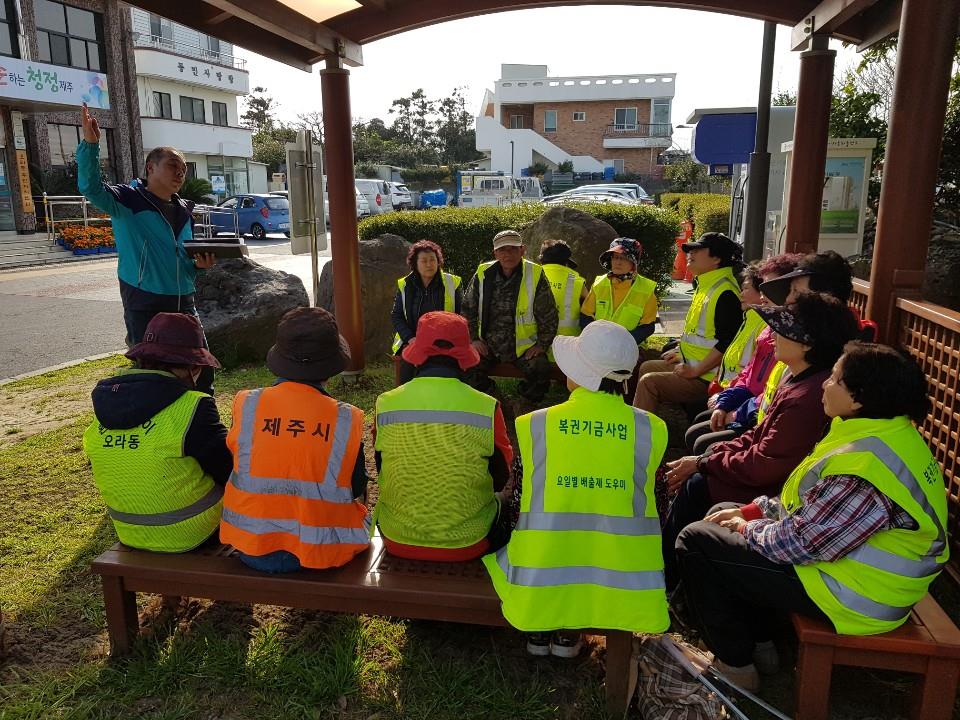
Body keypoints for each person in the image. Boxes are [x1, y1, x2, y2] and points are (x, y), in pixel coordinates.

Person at [676, 343, 946, 691]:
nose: (824, 384)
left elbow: (803, 543)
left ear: (858, 399)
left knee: (696, 541)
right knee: (718, 515)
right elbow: (807, 503)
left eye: (835, 379)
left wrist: (747, 526)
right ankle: (761, 644)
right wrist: (751, 511)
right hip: (847, 571)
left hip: (858, 595)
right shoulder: (882, 432)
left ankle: (736, 664)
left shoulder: (867, 464)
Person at [484, 320, 670, 658]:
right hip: (623, 583)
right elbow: (659, 506)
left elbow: (517, 503)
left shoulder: (535, 425)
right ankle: (571, 633)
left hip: (541, 571)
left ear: (581, 375)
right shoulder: (651, 429)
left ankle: (541, 628)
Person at [660, 293, 859, 591]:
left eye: (782, 331)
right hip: (775, 485)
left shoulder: (808, 397)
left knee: (697, 486)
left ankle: (668, 577)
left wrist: (703, 463)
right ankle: (669, 572)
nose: (772, 336)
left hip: (779, 494)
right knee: (702, 466)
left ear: (807, 343)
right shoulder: (800, 379)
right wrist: (711, 456)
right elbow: (760, 435)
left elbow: (765, 466)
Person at [77, 104, 217, 392]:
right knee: (150, 372)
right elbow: (91, 188)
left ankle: (202, 420)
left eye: (184, 169)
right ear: (150, 168)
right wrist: (90, 146)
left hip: (184, 299)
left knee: (200, 368)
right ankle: (154, 425)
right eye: (172, 166)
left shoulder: (183, 210)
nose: (180, 173)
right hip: (144, 298)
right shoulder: (126, 201)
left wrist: (197, 267)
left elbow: (181, 258)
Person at [219, 307, 370, 572]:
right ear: (331, 366)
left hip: (250, 545)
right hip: (322, 550)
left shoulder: (246, 404)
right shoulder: (347, 419)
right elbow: (357, 488)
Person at [83, 313, 230, 553]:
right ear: (193, 367)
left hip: (130, 531)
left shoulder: (107, 401)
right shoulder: (194, 405)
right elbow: (228, 468)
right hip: (194, 532)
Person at [374, 311, 514, 561]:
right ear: (463, 357)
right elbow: (501, 476)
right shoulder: (487, 406)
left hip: (396, 536)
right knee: (506, 500)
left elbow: (381, 464)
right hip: (470, 540)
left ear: (419, 355)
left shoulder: (385, 404)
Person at [684, 255, 802, 454]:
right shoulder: (765, 327)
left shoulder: (789, 336)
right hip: (744, 403)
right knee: (699, 429)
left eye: (770, 288)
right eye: (763, 287)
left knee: (701, 440)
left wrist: (735, 412)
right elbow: (748, 373)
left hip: (756, 419)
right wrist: (726, 401)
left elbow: (769, 393)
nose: (764, 295)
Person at [633, 232, 743, 414]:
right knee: (647, 367)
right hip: (695, 367)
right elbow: (700, 335)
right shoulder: (707, 284)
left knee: (649, 381)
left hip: (707, 377)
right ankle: (642, 418)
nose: (690, 253)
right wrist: (681, 352)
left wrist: (694, 371)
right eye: (691, 249)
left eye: (698, 249)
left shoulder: (725, 293)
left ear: (716, 259)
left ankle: (640, 437)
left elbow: (727, 343)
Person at [462, 230, 559, 403]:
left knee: (541, 369)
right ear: (495, 253)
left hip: (522, 348)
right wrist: (474, 339)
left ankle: (523, 404)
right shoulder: (483, 273)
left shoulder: (535, 274)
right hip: (489, 345)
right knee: (465, 365)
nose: (508, 254)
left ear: (522, 250)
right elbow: (468, 309)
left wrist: (541, 345)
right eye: (503, 249)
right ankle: (495, 401)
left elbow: (549, 313)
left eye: (513, 249)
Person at [760, 249, 878, 342]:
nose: (788, 299)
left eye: (796, 292)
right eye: (790, 291)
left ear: (826, 298)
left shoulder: (832, 350)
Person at [391, 240, 463, 384]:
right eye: (424, 261)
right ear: (415, 264)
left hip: (445, 341)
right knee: (408, 363)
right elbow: (396, 315)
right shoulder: (405, 284)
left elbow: (461, 315)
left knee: (447, 367)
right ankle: (409, 400)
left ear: (438, 261)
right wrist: (410, 339)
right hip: (413, 339)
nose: (429, 264)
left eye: (432, 260)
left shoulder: (451, 282)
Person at [581, 237, 658, 346]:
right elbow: (586, 315)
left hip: (626, 349)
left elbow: (647, 326)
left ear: (633, 263)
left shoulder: (646, 289)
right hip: (597, 345)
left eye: (624, 258)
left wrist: (624, 343)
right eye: (615, 257)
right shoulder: (599, 283)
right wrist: (595, 338)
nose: (618, 262)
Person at [538, 240, 586, 348]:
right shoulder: (577, 281)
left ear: (541, 259)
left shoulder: (531, 276)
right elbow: (590, 310)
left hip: (536, 347)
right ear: (566, 262)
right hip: (567, 347)